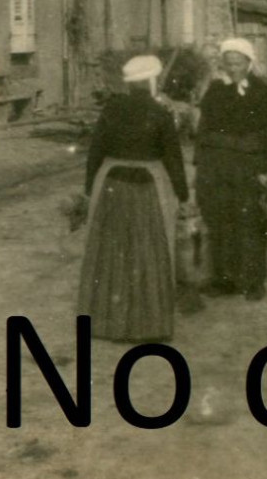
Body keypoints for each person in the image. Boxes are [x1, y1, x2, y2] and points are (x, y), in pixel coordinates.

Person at [78, 54, 189, 343]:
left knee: (111, 251)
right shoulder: (160, 113)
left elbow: (96, 151)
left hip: (112, 187)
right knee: (147, 250)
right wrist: (183, 193)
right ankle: (146, 325)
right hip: (145, 189)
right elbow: (173, 158)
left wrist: (90, 189)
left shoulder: (111, 110)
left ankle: (106, 322)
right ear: (152, 81)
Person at [194, 37, 267, 301]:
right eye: (228, 63)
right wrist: (200, 166)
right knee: (220, 220)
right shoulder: (215, 92)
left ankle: (254, 281)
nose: (233, 69)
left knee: (253, 222)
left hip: (251, 167)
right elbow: (203, 131)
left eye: (238, 63)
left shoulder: (264, 93)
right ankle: (224, 279)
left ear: (249, 63)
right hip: (218, 167)